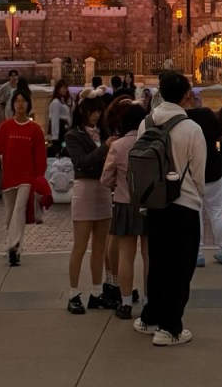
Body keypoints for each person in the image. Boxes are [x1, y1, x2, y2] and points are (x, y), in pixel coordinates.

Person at [134, 72, 206, 346]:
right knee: (180, 268)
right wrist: (195, 195)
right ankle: (170, 328)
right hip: (183, 205)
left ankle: (150, 317)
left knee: (158, 263)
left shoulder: (146, 123)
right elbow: (198, 174)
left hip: (154, 203)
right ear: (186, 94)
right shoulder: (192, 128)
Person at [65, 91, 116, 313]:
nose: (95, 115)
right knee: (80, 245)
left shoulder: (104, 132)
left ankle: (96, 292)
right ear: (82, 112)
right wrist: (105, 148)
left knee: (100, 246)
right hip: (85, 188)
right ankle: (73, 293)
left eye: (98, 111)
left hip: (103, 189)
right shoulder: (73, 135)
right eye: (91, 111)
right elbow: (82, 163)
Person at [0, 87, 47, 265]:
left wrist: (39, 177)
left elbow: (40, 156)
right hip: (9, 177)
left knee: (19, 210)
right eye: (17, 101)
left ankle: (12, 247)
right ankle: (17, 246)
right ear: (13, 104)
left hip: (27, 177)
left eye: (23, 101)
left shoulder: (35, 129)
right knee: (10, 215)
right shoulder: (5, 127)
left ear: (28, 104)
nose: (20, 104)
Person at [101, 102, 148, 320]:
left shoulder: (118, 146)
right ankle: (149, 300)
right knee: (149, 256)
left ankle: (126, 302)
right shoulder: (153, 142)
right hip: (149, 204)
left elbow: (105, 178)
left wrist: (117, 183)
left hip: (124, 202)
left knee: (126, 255)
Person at [186, 100, 222, 267]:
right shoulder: (208, 114)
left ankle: (198, 253)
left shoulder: (184, 118)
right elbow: (221, 136)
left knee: (196, 214)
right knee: (216, 212)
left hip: (193, 168)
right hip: (214, 166)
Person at [48, 80, 73, 157]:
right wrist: (55, 137)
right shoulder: (56, 102)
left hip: (64, 129)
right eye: (63, 88)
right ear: (58, 89)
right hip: (60, 129)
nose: (65, 90)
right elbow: (54, 120)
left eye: (66, 88)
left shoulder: (62, 101)